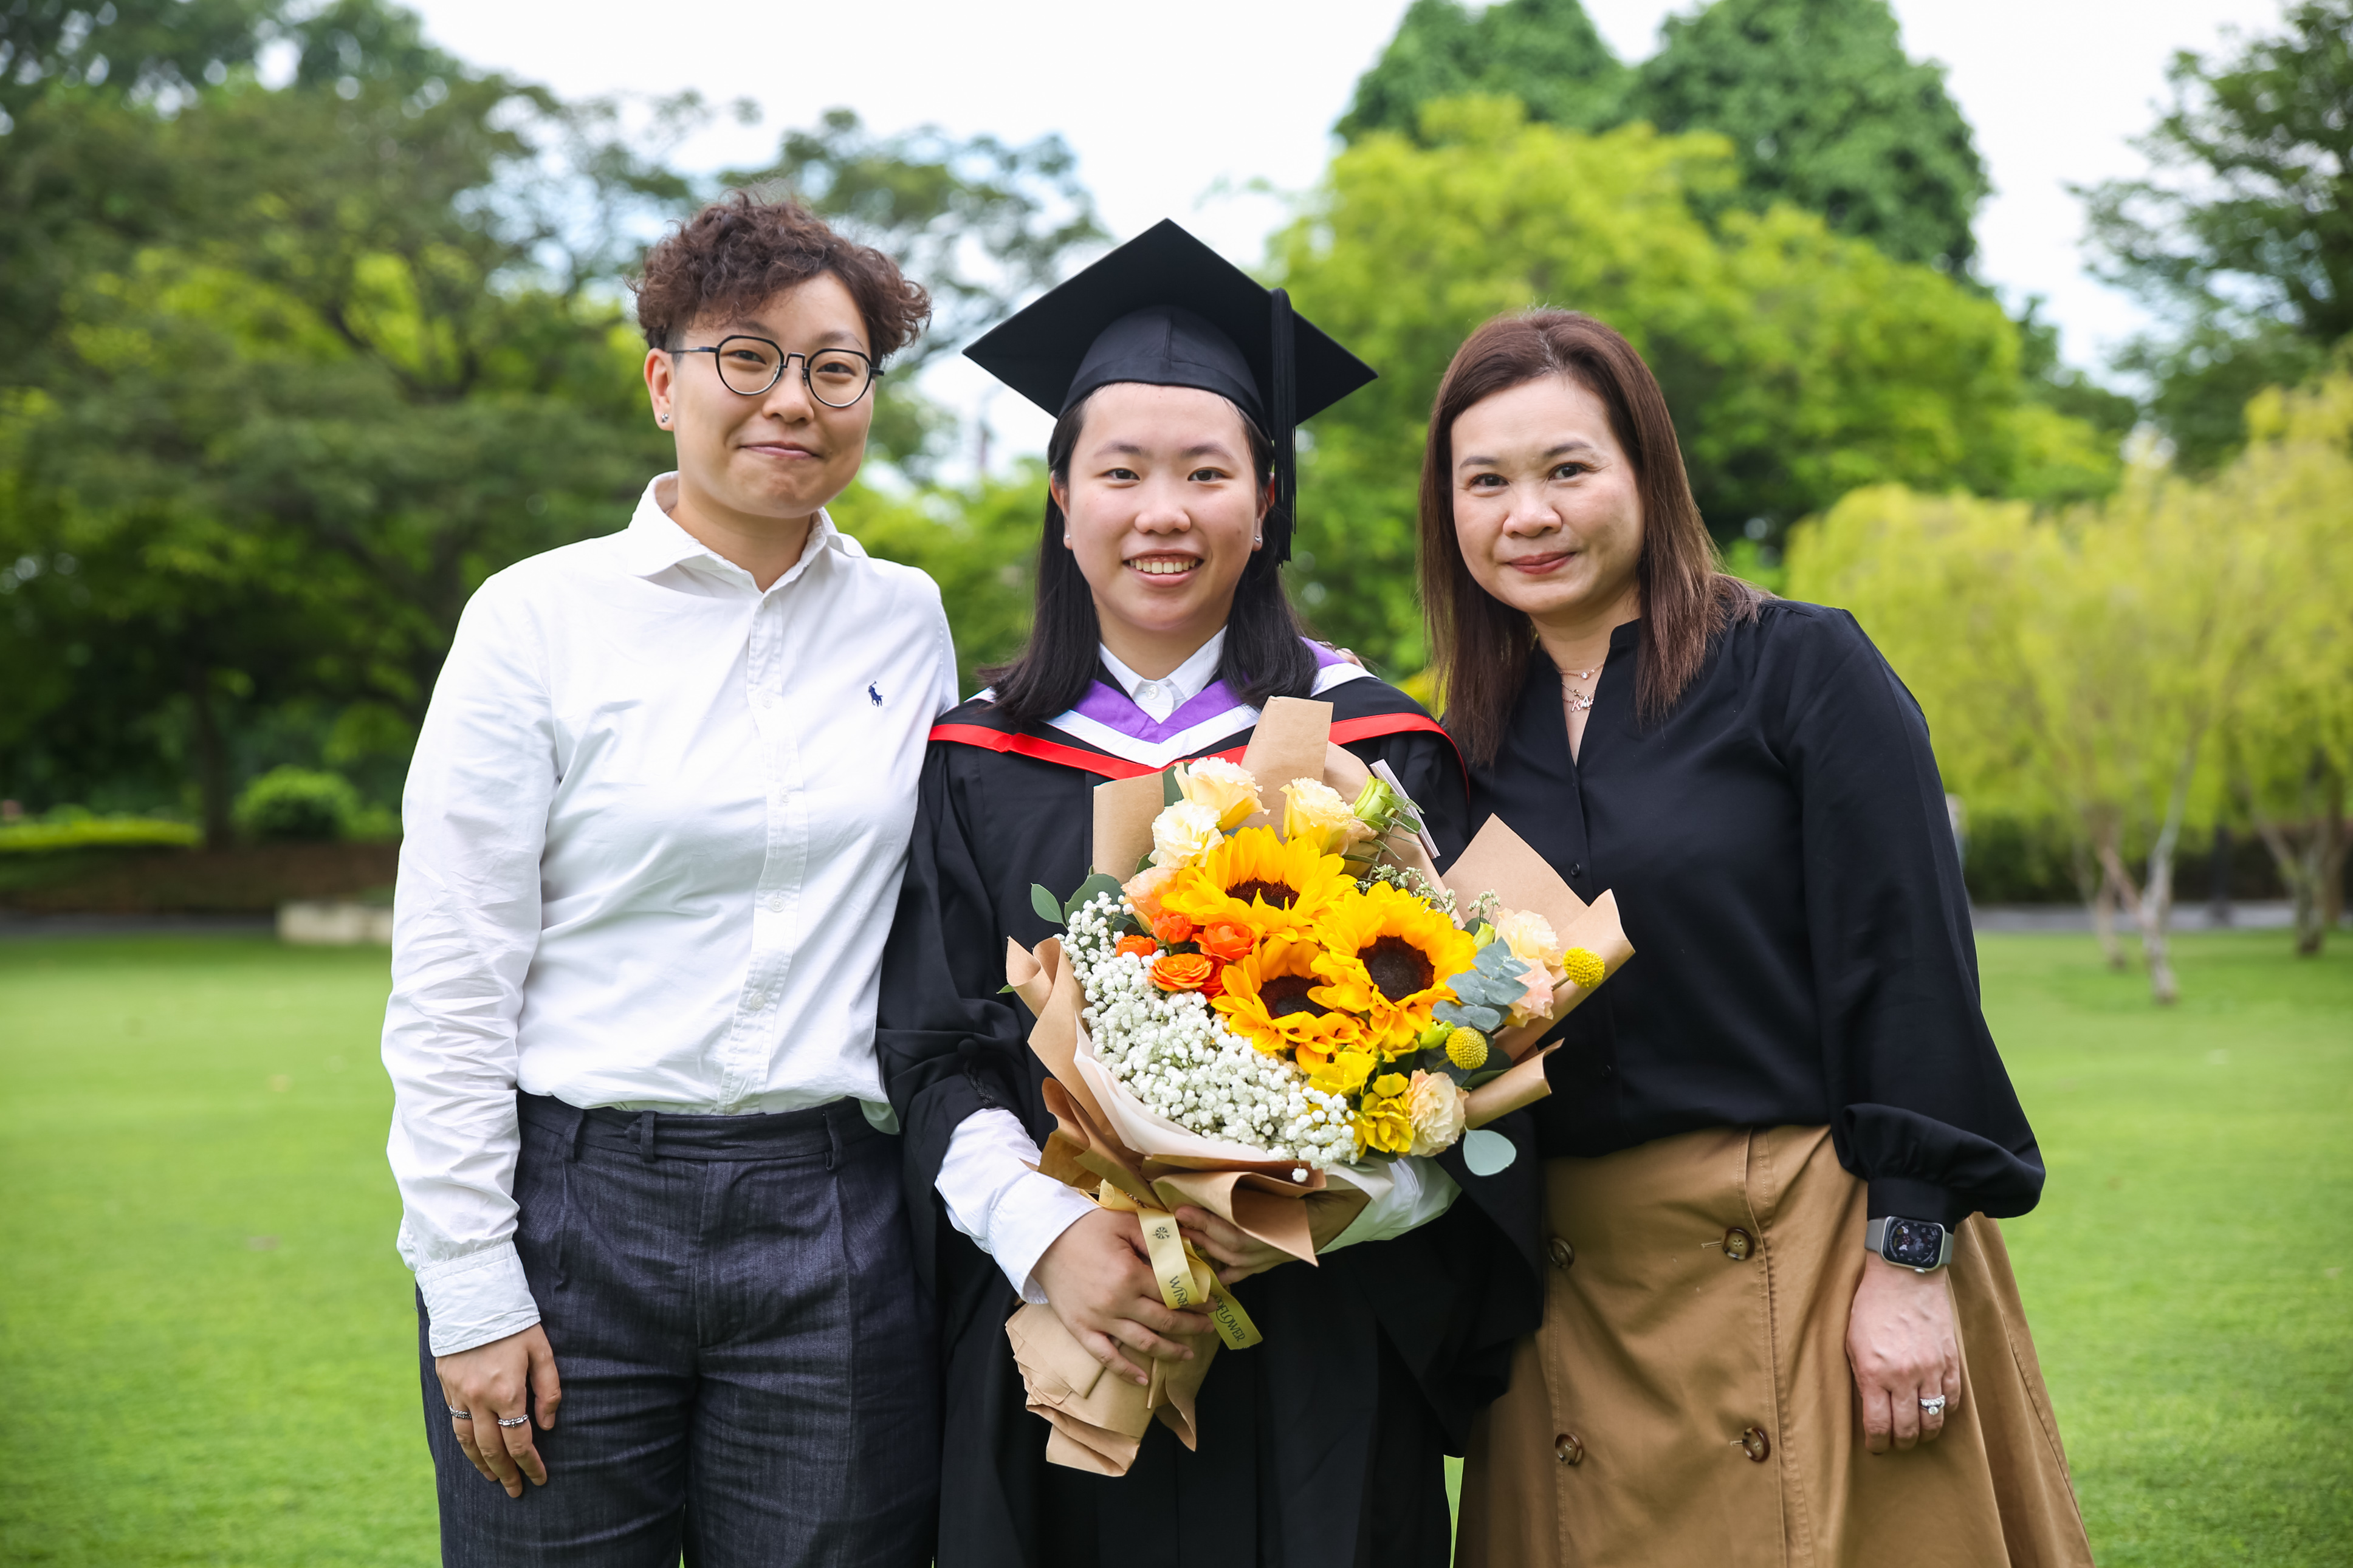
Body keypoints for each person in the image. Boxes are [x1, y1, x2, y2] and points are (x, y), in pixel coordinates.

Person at [874, 221, 1541, 1568]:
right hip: (1058, 1330)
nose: (1161, 511)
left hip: (1322, 1343)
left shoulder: (1376, 748)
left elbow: (1480, 1037)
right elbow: (933, 1048)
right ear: (1063, 500)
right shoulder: (972, 757)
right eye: (1120, 471)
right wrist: (1051, 1233)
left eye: (1205, 472)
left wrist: (1319, 1204)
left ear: (1268, 499)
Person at [1424, 309, 2094, 1567]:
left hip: (1815, 1250)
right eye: (1487, 482)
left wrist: (1909, 1258)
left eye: (1568, 468)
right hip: (1570, 1300)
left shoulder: (1799, 668)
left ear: (1647, 471)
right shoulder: (1451, 746)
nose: (1530, 515)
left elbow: (1907, 964)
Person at [381, 193, 951, 1566]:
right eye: (746, 357)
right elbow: (454, 970)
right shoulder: (536, 618)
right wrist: (471, 1283)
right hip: (577, 1215)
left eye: (835, 368)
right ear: (662, 384)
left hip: (835, 1216)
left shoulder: (908, 618)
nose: (792, 399)